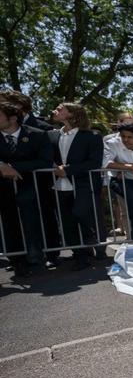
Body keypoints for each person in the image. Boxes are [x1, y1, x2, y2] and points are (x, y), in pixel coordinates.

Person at [0, 96, 54, 276]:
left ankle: (36, 255)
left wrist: (13, 167)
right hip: (4, 191)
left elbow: (45, 160)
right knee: (9, 224)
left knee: (32, 222)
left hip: (32, 189)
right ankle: (16, 260)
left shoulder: (36, 134)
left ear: (13, 118)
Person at [49, 102, 105, 270]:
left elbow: (94, 161)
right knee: (67, 222)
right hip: (59, 186)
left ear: (72, 114)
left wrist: (68, 170)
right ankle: (80, 256)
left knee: (81, 215)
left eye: (60, 109)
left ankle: (92, 244)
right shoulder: (51, 135)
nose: (56, 111)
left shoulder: (92, 136)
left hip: (83, 185)